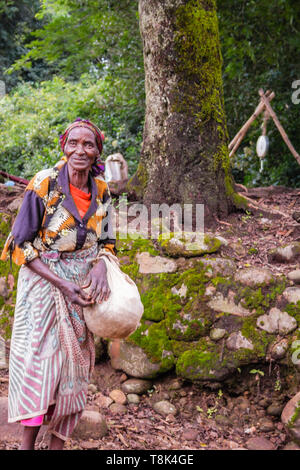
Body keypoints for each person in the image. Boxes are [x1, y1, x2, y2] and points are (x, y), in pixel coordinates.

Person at [0, 118, 116, 450]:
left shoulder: (102, 190)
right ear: (63, 146)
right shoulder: (45, 184)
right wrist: (61, 283)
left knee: (73, 370)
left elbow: (107, 242)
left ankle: (58, 444)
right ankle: (26, 445)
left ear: (97, 153)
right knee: (39, 364)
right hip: (42, 286)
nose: (80, 150)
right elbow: (20, 245)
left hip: (81, 289)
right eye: (74, 143)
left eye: (89, 145)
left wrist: (101, 267)